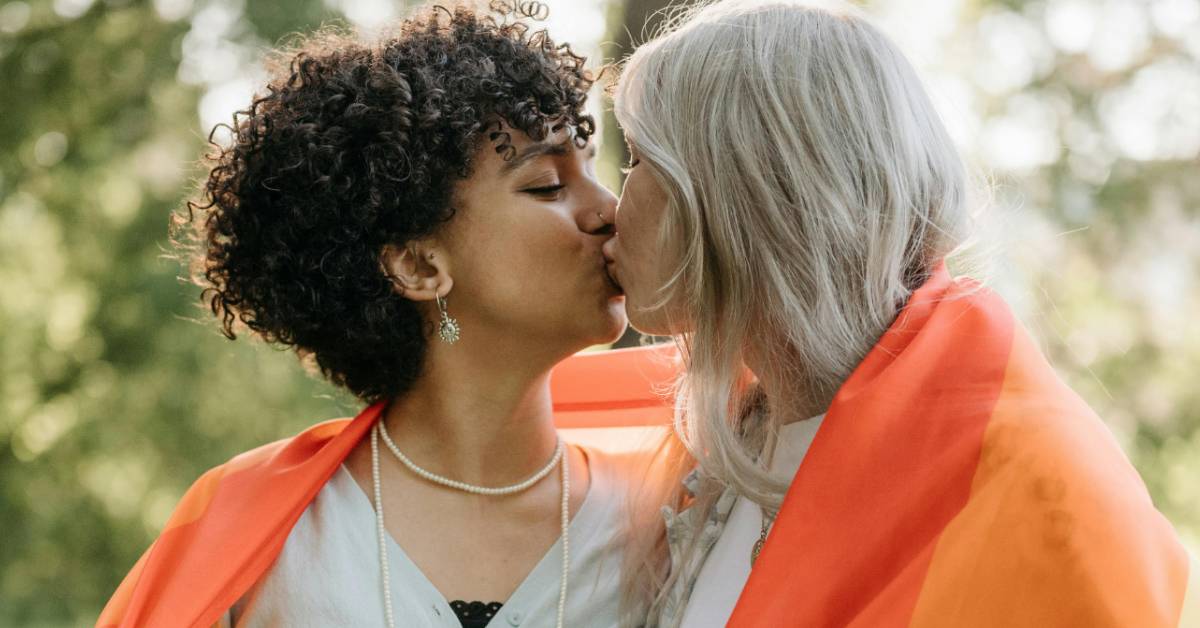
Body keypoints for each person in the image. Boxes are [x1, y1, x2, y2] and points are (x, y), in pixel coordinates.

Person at [603, 1, 1198, 626]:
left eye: (638, 160)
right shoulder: (713, 456)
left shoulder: (1034, 485)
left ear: (739, 191)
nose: (608, 209)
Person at [96, 3, 669, 627]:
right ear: (420, 268)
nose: (610, 211)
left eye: (593, 171)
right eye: (546, 187)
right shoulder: (251, 533)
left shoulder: (670, 517)